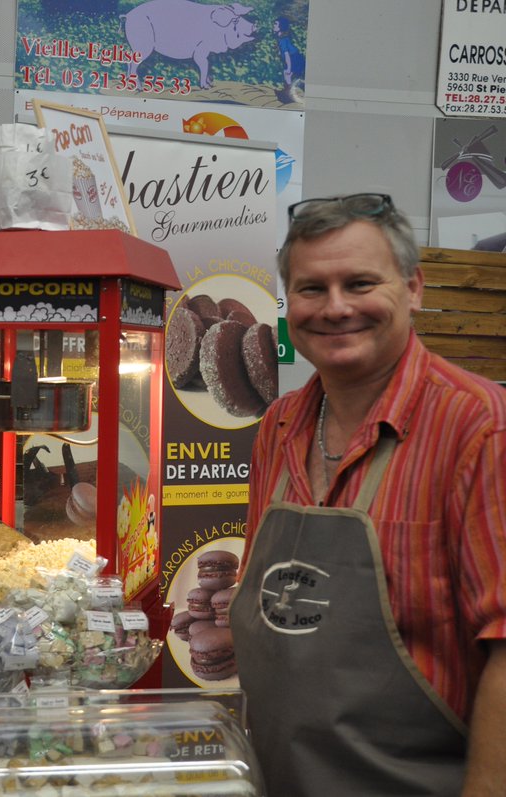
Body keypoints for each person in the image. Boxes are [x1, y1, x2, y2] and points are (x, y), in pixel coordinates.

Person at [231, 192, 506, 795]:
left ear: (413, 288)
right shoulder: (279, 426)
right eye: (312, 289)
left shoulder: (479, 427)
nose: (335, 308)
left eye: (359, 284)